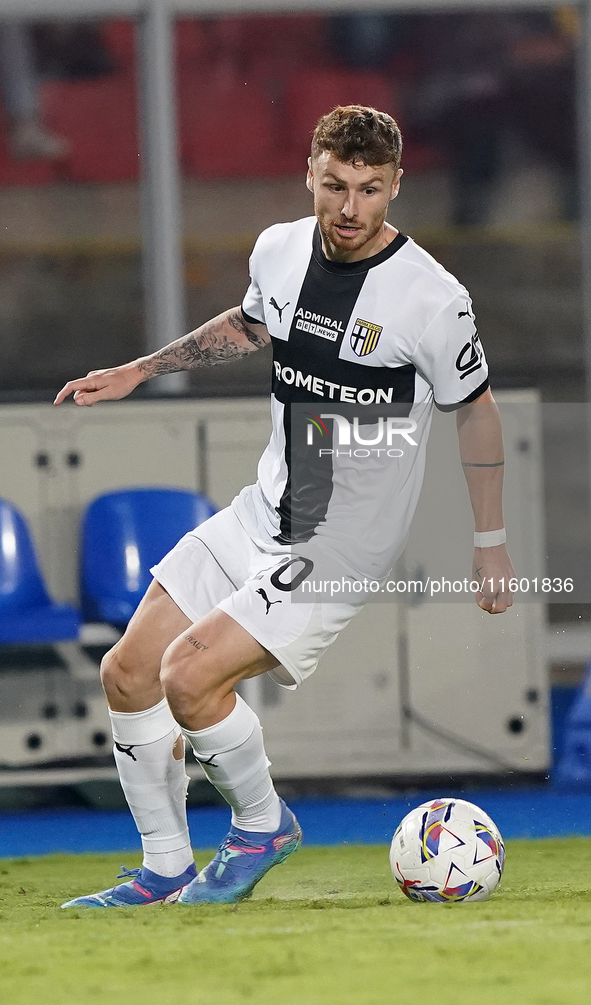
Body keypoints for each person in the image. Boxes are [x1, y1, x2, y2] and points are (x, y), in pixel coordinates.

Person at [54, 105, 514, 908]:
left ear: (395, 186)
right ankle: (163, 867)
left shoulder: (432, 299)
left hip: (341, 542)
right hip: (265, 508)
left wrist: (490, 539)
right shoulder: (278, 247)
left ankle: (262, 824)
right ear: (309, 173)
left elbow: (474, 408)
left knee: (190, 675)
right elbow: (249, 323)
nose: (349, 208)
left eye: (370, 190)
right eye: (334, 185)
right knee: (128, 673)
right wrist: (137, 369)